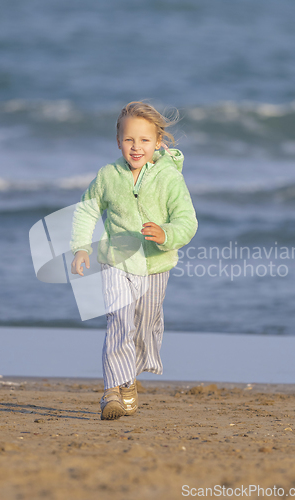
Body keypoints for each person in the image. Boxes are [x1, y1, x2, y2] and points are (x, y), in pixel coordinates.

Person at [70, 101, 198, 420]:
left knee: (144, 327)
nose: (136, 147)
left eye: (144, 140)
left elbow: (187, 220)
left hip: (155, 265)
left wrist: (166, 233)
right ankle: (112, 390)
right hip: (116, 261)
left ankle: (129, 380)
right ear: (118, 141)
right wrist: (81, 248)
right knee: (119, 321)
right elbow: (87, 209)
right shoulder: (108, 176)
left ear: (158, 143)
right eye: (129, 140)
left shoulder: (169, 179)